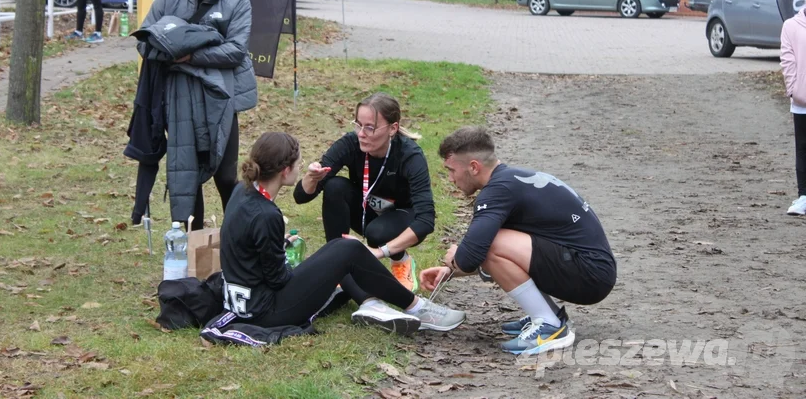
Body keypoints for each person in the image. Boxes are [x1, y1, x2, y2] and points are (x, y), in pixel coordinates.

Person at [211, 132, 465, 340]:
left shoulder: (241, 192)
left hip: (241, 300)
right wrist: (297, 262)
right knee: (347, 250)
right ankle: (418, 308)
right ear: (285, 170)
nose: (301, 169)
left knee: (340, 250)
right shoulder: (267, 214)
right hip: (265, 311)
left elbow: (246, 246)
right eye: (299, 165)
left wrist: (282, 248)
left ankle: (373, 303)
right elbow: (278, 279)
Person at [418, 126, 616, 356]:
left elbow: (470, 257)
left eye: (451, 170)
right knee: (492, 243)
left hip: (590, 275)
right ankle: (545, 313)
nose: (450, 179)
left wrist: (455, 262)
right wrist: (450, 271)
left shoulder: (498, 191)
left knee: (493, 242)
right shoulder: (512, 180)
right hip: (591, 268)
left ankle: (550, 326)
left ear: (473, 167)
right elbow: (497, 257)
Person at [133, 0, 257, 230]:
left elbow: (236, 51)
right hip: (177, 99)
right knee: (188, 175)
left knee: (226, 175)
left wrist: (188, 56)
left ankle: (239, 236)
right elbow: (144, 43)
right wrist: (169, 51)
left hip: (221, 97)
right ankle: (192, 246)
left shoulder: (238, 1)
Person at [294, 92, 435, 293]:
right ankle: (337, 265)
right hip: (366, 208)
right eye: (358, 124)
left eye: (370, 127)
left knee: (376, 233)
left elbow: (426, 220)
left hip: (401, 215)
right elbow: (301, 197)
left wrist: (380, 252)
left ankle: (400, 260)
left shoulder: (410, 155)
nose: (361, 133)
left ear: (393, 128)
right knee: (335, 186)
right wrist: (311, 178)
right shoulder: (351, 143)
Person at [781, 4, 806, 215]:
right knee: (803, 148)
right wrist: (794, 90)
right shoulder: (791, 26)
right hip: (802, 100)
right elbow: (787, 61)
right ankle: (803, 196)